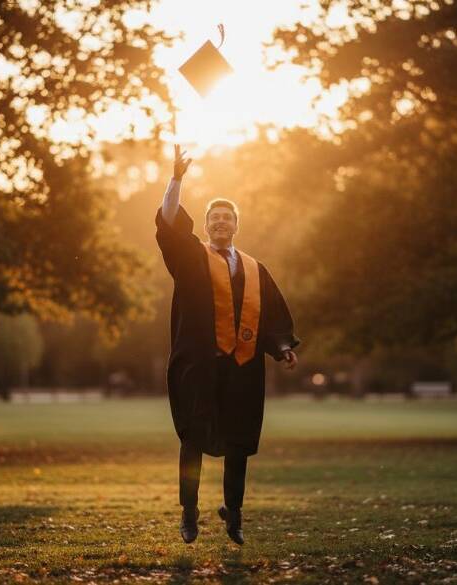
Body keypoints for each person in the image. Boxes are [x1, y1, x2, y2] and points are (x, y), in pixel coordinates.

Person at [155, 144, 300, 545]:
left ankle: (233, 514)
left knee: (238, 443)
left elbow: (272, 315)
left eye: (227, 218)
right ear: (205, 225)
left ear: (236, 225)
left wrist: (282, 345)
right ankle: (189, 513)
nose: (221, 223)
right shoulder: (190, 256)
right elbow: (168, 223)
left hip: (243, 368)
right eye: (214, 218)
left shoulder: (255, 269)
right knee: (193, 439)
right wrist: (177, 178)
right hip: (199, 366)